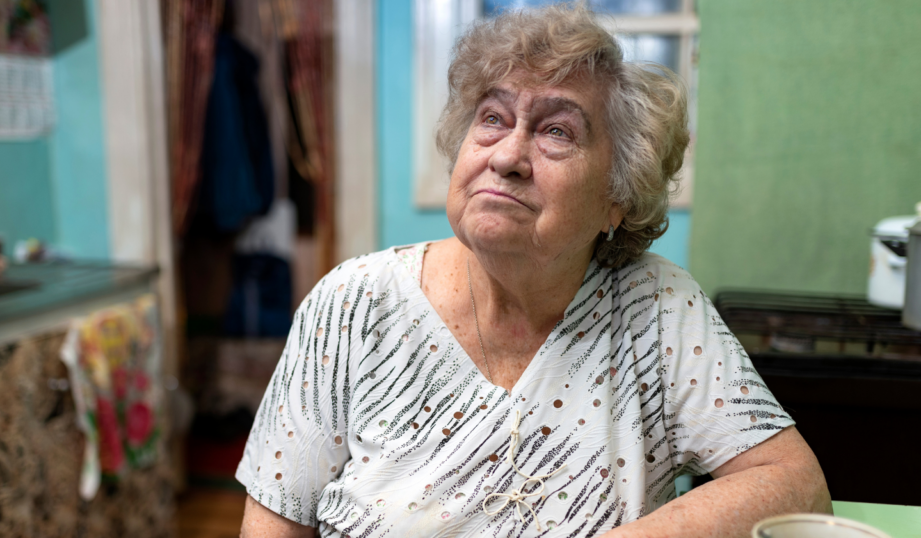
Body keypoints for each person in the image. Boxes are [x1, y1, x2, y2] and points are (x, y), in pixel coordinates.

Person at [237, 5, 831, 537]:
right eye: (493, 118)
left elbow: (796, 485)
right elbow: (272, 525)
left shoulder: (656, 309)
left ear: (617, 196)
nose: (507, 157)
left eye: (556, 131)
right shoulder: (352, 304)